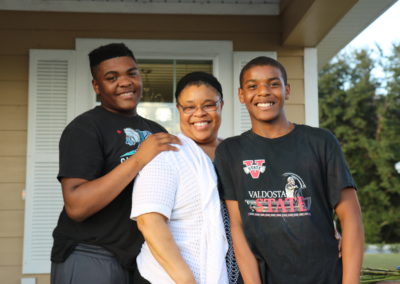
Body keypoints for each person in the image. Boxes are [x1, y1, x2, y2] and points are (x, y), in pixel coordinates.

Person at [214, 56, 364, 284]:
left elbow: (351, 219)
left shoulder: (320, 142)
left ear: (287, 90)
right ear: (241, 95)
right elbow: (237, 226)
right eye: (253, 86)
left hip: (324, 275)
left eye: (273, 84)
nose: (263, 92)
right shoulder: (230, 151)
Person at [50, 43, 180, 284]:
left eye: (132, 73)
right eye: (112, 77)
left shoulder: (156, 131)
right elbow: (76, 206)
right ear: (97, 87)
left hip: (141, 258)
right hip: (90, 252)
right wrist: (139, 158)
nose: (125, 82)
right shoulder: (85, 128)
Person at [131, 72, 241, 284]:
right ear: (179, 110)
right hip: (168, 278)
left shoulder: (233, 155)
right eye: (189, 107)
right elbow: (149, 222)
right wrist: (186, 280)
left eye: (208, 105)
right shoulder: (166, 155)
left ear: (221, 105)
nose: (199, 114)